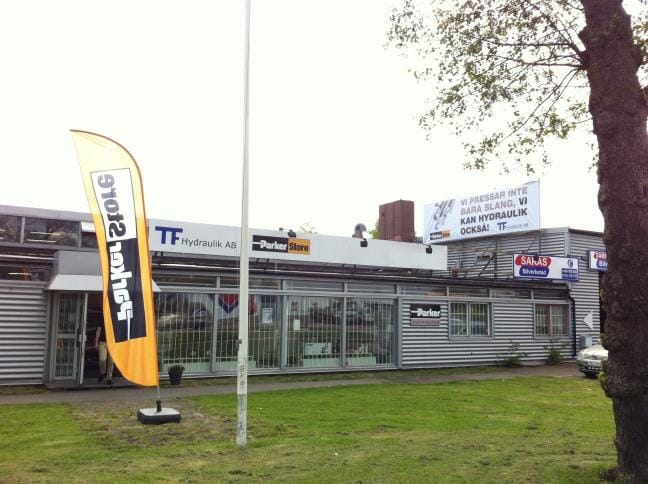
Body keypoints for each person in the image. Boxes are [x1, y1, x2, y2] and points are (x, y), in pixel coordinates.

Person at [94, 320, 114, 385]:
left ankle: (109, 378)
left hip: (112, 343)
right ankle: (102, 372)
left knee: (111, 361)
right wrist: (96, 342)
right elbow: (98, 331)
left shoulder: (115, 318)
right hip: (102, 342)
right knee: (102, 360)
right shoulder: (102, 319)